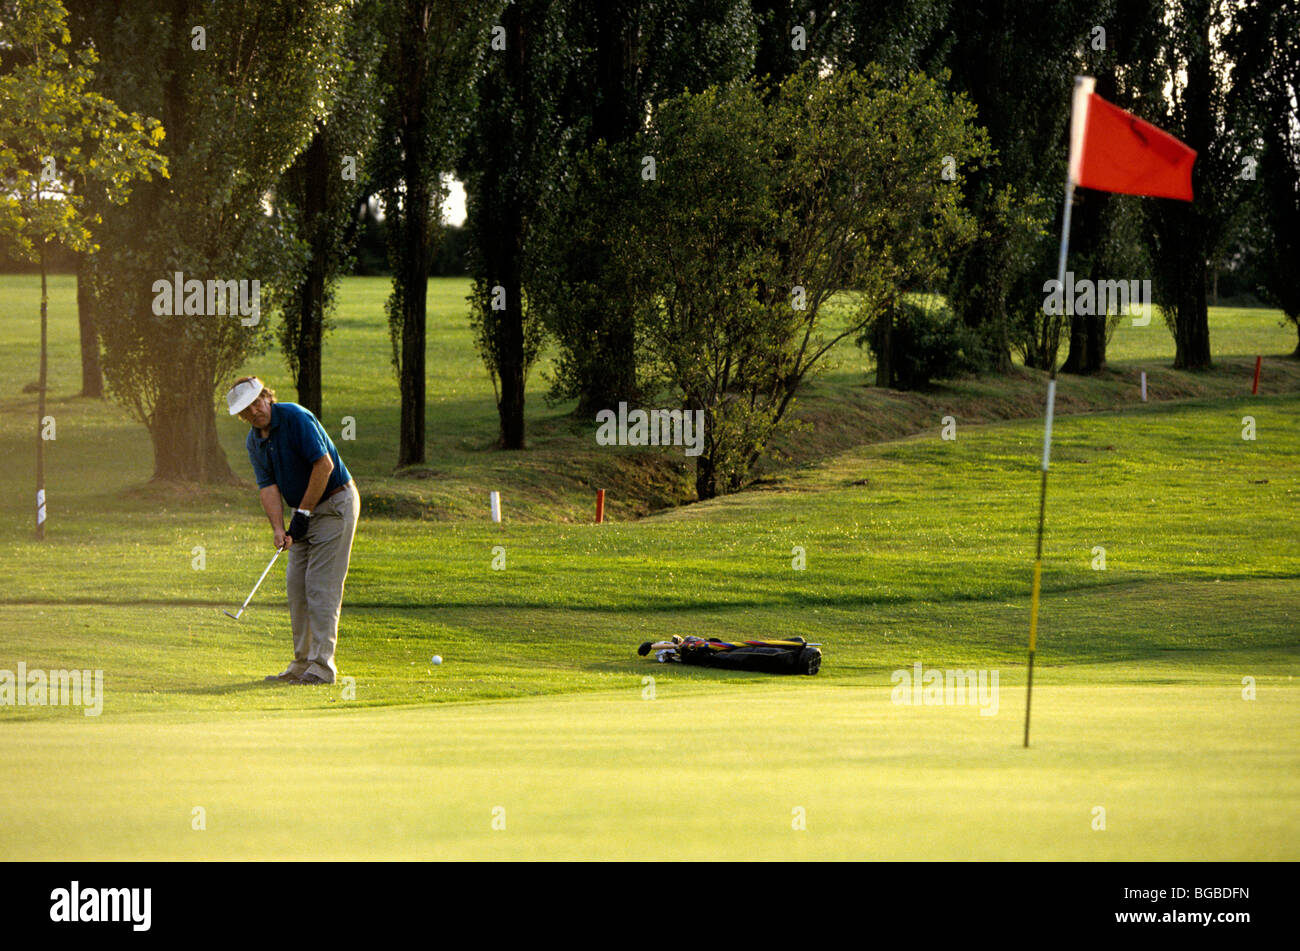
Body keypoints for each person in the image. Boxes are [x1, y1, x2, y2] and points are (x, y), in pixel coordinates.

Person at [225, 376, 359, 685]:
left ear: (267, 397)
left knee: (320, 586)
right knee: (297, 586)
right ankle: (302, 663)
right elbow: (268, 486)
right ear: (243, 416)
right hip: (305, 512)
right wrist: (278, 528)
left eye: (258, 402)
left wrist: (303, 512)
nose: (255, 411)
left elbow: (323, 465)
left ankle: (323, 668)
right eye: (248, 409)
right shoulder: (254, 441)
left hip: (335, 504)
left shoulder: (296, 417)